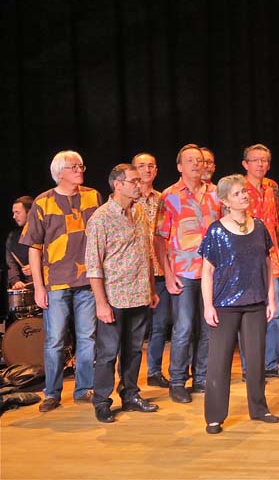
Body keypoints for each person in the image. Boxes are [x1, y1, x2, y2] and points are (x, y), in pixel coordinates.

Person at [20, 151, 102, 412]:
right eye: (73, 167)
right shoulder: (43, 202)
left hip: (88, 279)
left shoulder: (93, 196)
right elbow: (34, 247)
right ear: (59, 173)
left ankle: (84, 389)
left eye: (81, 166)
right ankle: (52, 393)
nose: (79, 170)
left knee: (88, 338)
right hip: (55, 282)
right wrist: (38, 287)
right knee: (55, 339)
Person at [200, 175, 279, 434]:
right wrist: (208, 305)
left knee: (256, 359)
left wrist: (271, 298)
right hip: (225, 304)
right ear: (225, 201)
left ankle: (259, 408)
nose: (244, 196)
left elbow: (267, 264)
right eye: (237, 194)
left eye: (244, 191)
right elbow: (207, 271)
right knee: (219, 361)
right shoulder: (216, 230)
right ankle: (214, 416)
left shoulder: (259, 227)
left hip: (255, 302)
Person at [86, 164, 160, 423]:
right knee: (108, 352)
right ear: (118, 185)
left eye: (139, 181)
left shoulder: (139, 211)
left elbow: (146, 253)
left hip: (139, 294)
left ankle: (130, 395)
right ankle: (102, 401)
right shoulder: (101, 218)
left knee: (134, 350)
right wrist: (101, 303)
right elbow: (93, 265)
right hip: (114, 297)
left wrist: (151, 288)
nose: (139, 185)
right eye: (134, 181)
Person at [155, 144, 223, 403]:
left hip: (212, 270)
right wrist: (168, 274)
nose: (197, 164)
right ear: (179, 166)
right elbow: (159, 238)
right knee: (183, 327)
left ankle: (202, 377)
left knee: (208, 326)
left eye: (200, 160)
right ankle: (177, 381)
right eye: (190, 160)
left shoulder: (216, 193)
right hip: (182, 270)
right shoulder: (169, 195)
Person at [242, 144, 279, 378]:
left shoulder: (271, 188)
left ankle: (271, 364)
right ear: (245, 164)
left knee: (274, 313)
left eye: (264, 160)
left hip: (270, 258)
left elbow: (276, 224)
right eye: (255, 160)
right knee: (249, 316)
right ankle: (250, 368)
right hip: (245, 261)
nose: (260, 164)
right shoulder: (238, 188)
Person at [133, 153, 173, 388]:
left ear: (156, 171)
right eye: (141, 166)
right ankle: (130, 379)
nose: (147, 170)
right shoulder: (128, 198)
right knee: (136, 329)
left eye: (151, 166)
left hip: (160, 270)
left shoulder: (163, 199)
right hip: (135, 274)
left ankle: (154, 371)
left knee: (160, 325)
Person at [6, 196, 33, 289]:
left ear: (30, 212)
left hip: (50, 285)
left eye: (17, 212)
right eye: (13, 213)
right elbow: (11, 263)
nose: (14, 216)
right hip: (28, 286)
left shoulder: (45, 233)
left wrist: (37, 267)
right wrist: (15, 281)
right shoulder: (13, 237)